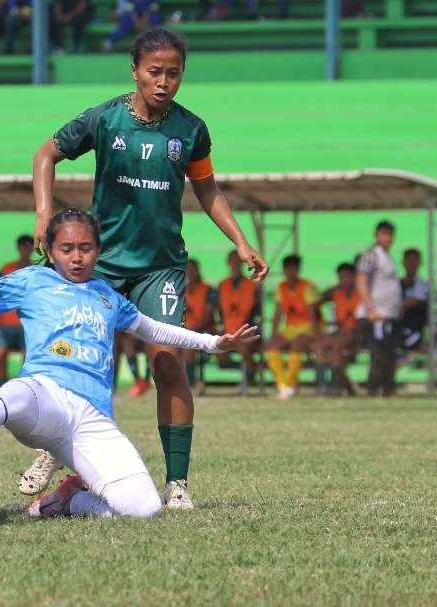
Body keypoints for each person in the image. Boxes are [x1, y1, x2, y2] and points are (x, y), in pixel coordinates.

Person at [30, 28, 268, 509]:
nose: (164, 82)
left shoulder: (191, 130)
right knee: (82, 361)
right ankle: (50, 451)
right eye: (155, 71)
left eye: (173, 73)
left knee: (167, 363)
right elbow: (45, 155)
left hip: (160, 268)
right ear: (134, 70)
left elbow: (207, 190)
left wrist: (241, 241)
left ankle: (177, 482)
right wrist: (43, 214)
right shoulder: (105, 119)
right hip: (100, 266)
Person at [0, 209, 259, 519]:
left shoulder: (107, 295)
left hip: (93, 419)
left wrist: (214, 342)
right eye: (67, 249)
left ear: (99, 251)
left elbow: (153, 329)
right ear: (50, 249)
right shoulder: (32, 280)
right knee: (13, 393)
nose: (77, 257)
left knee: (145, 509)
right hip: (42, 399)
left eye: (86, 249)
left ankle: (67, 502)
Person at [264, 254, 319, 400]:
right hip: (291, 328)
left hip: (307, 327)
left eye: (293, 269)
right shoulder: (281, 287)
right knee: (272, 346)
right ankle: (282, 385)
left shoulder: (307, 287)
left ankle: (291, 384)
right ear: (284, 270)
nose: (290, 272)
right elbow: (278, 312)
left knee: (297, 346)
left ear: (298, 270)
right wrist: (274, 331)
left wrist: (315, 332)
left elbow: (314, 312)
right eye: (288, 269)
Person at [357, 220, 401, 397]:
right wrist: (371, 308)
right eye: (384, 234)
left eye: (390, 234)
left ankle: (386, 388)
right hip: (375, 315)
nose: (388, 238)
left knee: (388, 352)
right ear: (376, 235)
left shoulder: (387, 256)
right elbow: (361, 281)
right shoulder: (371, 255)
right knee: (378, 353)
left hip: (387, 315)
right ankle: (374, 389)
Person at [315, 262, 361, 396]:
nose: (344, 279)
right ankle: (322, 385)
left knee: (336, 348)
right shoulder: (337, 293)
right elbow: (318, 300)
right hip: (340, 331)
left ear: (354, 277)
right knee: (319, 345)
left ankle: (335, 387)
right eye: (341, 277)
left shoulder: (361, 293)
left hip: (355, 332)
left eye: (348, 276)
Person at [218, 250, 259, 395]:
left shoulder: (251, 285)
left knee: (243, 347)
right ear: (228, 263)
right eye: (232, 261)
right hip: (227, 328)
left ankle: (249, 376)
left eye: (237, 261)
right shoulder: (222, 285)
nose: (235, 264)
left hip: (246, 327)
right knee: (217, 350)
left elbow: (256, 311)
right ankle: (251, 369)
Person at [0, 235, 32, 387]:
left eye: (28, 246)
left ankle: (24, 389)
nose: (25, 249)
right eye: (22, 246)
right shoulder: (7, 268)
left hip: (26, 324)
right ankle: (0, 388)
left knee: (28, 360)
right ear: (18, 248)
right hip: (5, 322)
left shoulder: (36, 270)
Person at [183, 258, 216, 395]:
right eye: (187, 269)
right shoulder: (181, 289)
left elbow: (208, 316)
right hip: (186, 330)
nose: (189, 272)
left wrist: (192, 331)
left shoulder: (208, 290)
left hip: (205, 330)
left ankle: (191, 384)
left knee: (189, 346)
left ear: (197, 271)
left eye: (192, 269)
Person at [399, 247, 429, 353]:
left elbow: (415, 301)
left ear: (420, 263)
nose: (411, 263)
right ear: (403, 263)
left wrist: (399, 307)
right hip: (397, 327)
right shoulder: (396, 284)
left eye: (414, 260)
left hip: (415, 329)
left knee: (405, 344)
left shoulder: (423, 284)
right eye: (409, 260)